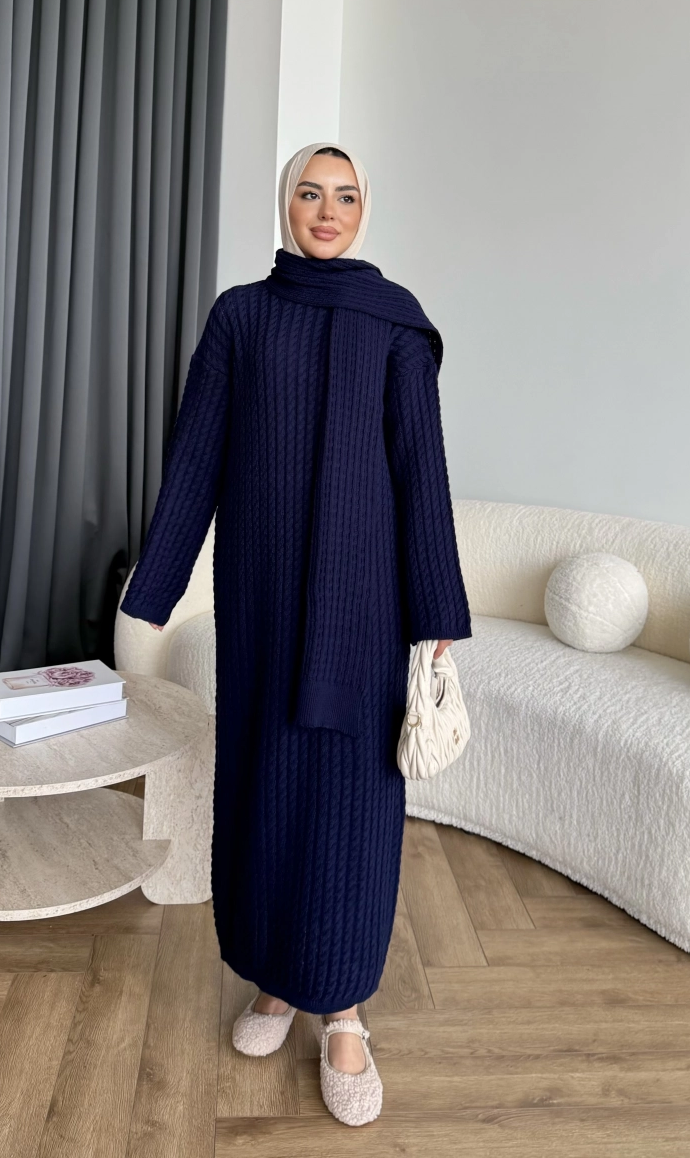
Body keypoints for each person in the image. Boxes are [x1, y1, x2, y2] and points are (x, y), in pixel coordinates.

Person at [119, 141, 472, 1126]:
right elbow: (197, 455)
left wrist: (436, 615)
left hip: (366, 615)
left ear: (363, 211)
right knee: (264, 789)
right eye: (310, 193)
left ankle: (344, 1012)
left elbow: (420, 469)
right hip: (264, 604)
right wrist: (154, 587)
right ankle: (275, 978)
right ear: (285, 205)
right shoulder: (240, 316)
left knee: (351, 808)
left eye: (344, 196)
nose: (326, 210)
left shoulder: (394, 324)